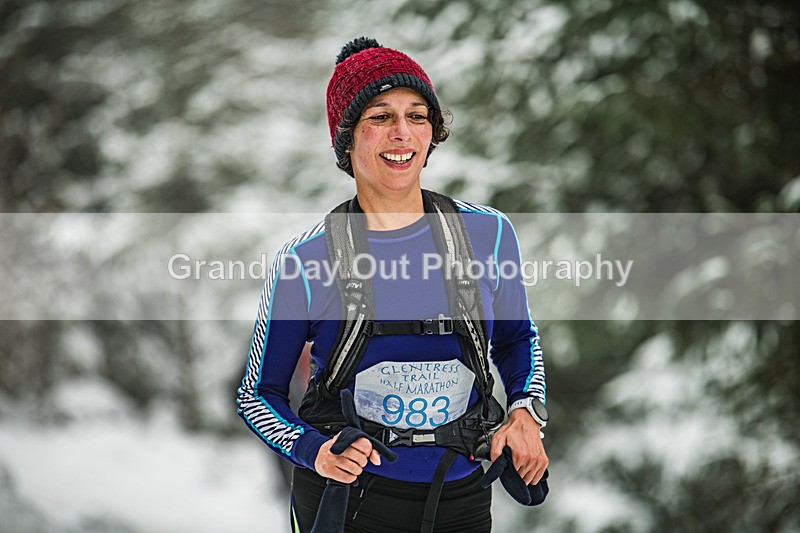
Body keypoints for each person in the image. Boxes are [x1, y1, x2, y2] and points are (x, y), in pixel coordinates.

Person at [237, 37, 549, 533]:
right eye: (380, 117)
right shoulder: (305, 260)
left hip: (461, 496)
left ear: (433, 131)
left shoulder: (488, 234)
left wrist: (524, 412)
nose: (402, 133)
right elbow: (258, 395)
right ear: (347, 139)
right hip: (348, 500)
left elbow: (516, 340)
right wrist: (314, 451)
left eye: (417, 115)